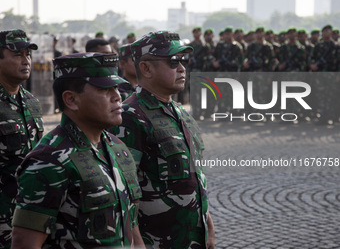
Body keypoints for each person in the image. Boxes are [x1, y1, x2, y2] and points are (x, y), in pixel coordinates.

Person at [11, 52, 145, 248]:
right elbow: (25, 243)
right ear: (71, 100)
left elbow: (131, 228)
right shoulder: (48, 160)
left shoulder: (118, 148)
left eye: (116, 87)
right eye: (104, 89)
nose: (117, 96)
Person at [110, 31, 215, 248]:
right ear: (146, 68)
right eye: (172, 61)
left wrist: (208, 224)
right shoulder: (130, 116)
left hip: (193, 238)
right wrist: (136, 242)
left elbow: (195, 177)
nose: (181, 68)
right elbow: (122, 192)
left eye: (182, 60)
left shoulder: (180, 112)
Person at [0, 29, 43, 248]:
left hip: (28, 214)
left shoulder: (32, 102)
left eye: (28, 54)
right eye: (17, 55)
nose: (25, 60)